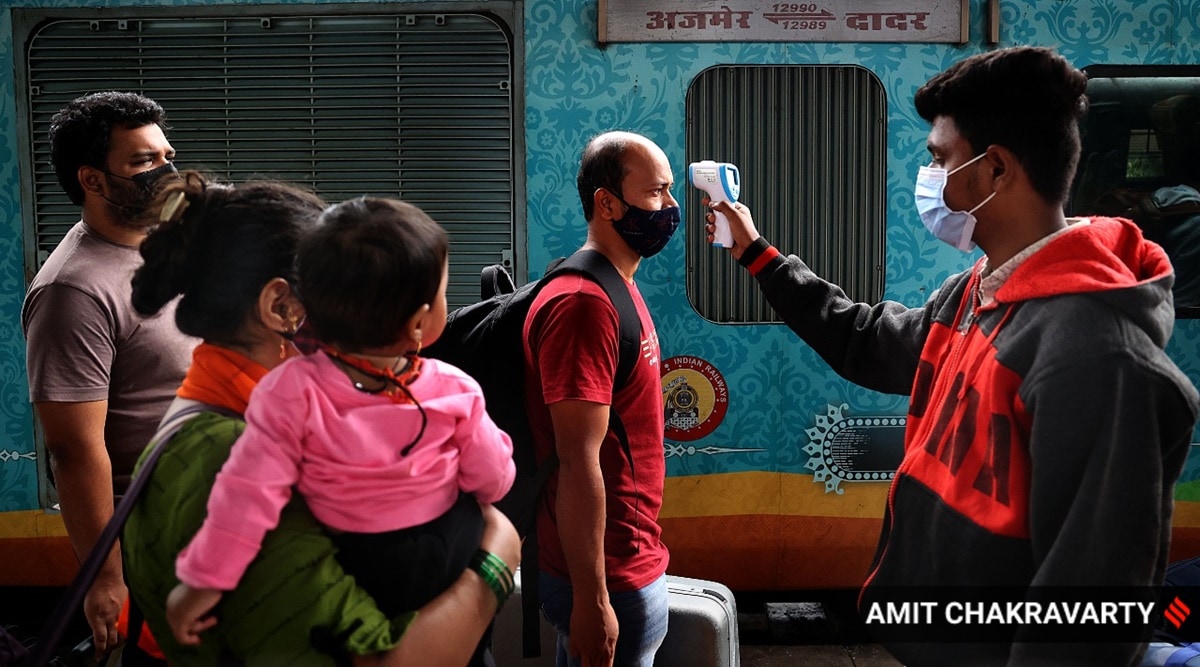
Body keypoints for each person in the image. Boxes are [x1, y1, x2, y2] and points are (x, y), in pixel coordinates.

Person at [707, 46, 1200, 666]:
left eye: (940, 158)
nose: (931, 175)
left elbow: (1089, 611)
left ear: (995, 170)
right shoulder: (975, 294)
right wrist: (758, 255)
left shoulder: (1098, 358)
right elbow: (866, 343)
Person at [123, 172, 520, 666]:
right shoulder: (223, 456)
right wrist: (497, 558)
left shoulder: (230, 411)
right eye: (342, 298)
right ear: (281, 306)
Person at [21, 91, 196, 656]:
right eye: (143, 162)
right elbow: (75, 450)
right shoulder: (74, 289)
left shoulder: (168, 236)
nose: (166, 171)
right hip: (153, 532)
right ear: (93, 181)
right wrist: (104, 577)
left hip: (218, 504)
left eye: (166, 155)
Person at [523, 130, 675, 667]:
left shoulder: (617, 286)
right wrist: (593, 600)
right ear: (606, 203)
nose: (671, 207)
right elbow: (576, 459)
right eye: (657, 192)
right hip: (607, 574)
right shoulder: (583, 305)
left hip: (630, 561)